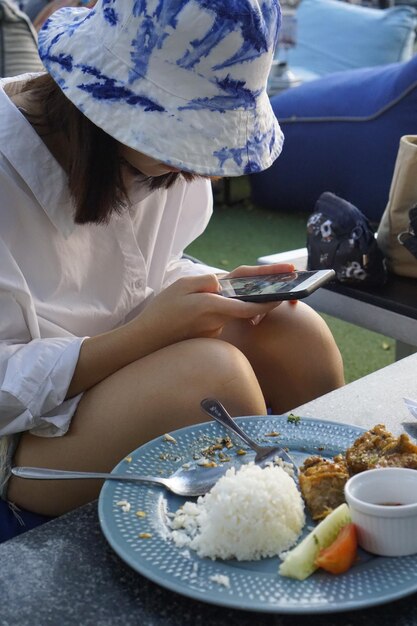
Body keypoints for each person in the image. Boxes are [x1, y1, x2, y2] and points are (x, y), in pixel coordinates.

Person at [0, 0, 344, 526]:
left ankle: (343, 505)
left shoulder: (133, 154)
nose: (206, 174)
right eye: (188, 138)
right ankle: (278, 535)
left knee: (295, 333)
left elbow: (140, 273)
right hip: (18, 435)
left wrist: (214, 289)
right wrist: (146, 335)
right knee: (212, 378)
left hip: (110, 368)